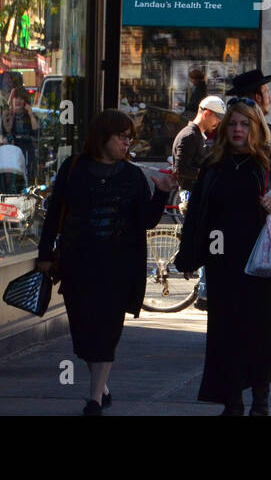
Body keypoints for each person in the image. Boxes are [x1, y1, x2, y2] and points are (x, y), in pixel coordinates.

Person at [35, 109, 171, 415]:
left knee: (107, 330)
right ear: (102, 137)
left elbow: (146, 221)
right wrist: (45, 255)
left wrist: (162, 195)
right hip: (77, 265)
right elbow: (55, 212)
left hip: (118, 267)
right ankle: (102, 385)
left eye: (129, 138)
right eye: (121, 137)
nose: (126, 144)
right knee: (83, 332)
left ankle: (95, 399)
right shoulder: (74, 168)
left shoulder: (133, 176)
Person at [190, 98, 271, 415]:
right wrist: (190, 255)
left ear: (256, 127)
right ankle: (232, 402)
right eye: (233, 124)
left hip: (265, 263)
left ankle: (261, 400)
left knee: (263, 330)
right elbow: (198, 212)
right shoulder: (213, 163)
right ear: (225, 128)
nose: (238, 130)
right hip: (223, 261)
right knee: (225, 331)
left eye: (245, 124)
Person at [171, 95, 226, 196]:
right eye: (217, 120)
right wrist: (207, 173)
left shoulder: (196, 135)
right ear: (206, 114)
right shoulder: (190, 135)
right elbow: (181, 169)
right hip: (190, 195)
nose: (217, 124)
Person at [227, 67, 271, 144]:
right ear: (258, 97)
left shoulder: (226, 128)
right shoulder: (265, 131)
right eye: (266, 92)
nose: (270, 99)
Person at [0, 88, 41, 182]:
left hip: (26, 149)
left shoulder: (29, 116)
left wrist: (30, 114)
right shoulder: (7, 115)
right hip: (12, 149)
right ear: (12, 100)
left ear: (25, 102)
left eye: (21, 99)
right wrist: (3, 139)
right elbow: (1, 134)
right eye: (16, 98)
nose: (18, 101)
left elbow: (36, 131)